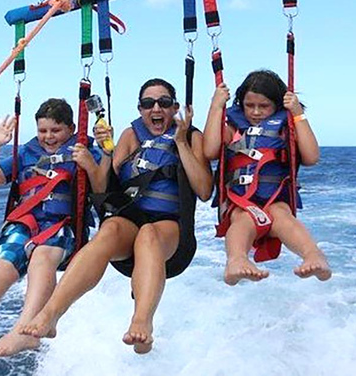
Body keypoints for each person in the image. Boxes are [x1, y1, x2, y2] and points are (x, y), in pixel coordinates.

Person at [21, 79, 213, 354]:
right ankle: (51, 314)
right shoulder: (129, 136)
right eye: (148, 103)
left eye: (163, 102)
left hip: (170, 231)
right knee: (108, 231)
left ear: (175, 107)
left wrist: (180, 141)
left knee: (149, 235)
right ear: (140, 108)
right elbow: (102, 188)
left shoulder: (192, 136)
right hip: (127, 223)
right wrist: (103, 154)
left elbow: (205, 190)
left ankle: (142, 322)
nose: (156, 108)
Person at [0, 98, 109, 356]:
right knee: (4, 264)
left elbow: (103, 188)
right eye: (43, 131)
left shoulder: (84, 149)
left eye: (56, 130)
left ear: (71, 128)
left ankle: (24, 332)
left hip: (62, 226)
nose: (48, 137)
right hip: (25, 222)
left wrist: (89, 163)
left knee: (41, 257)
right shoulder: (27, 152)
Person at [201, 69, 332, 285]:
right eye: (249, 106)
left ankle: (313, 255)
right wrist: (216, 107)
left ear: (277, 106)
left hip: (275, 198)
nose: (256, 112)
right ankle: (236, 260)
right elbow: (210, 151)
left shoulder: (286, 126)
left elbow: (311, 157)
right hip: (239, 202)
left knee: (282, 216)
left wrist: (297, 113)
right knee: (242, 219)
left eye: (264, 106)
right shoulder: (233, 127)